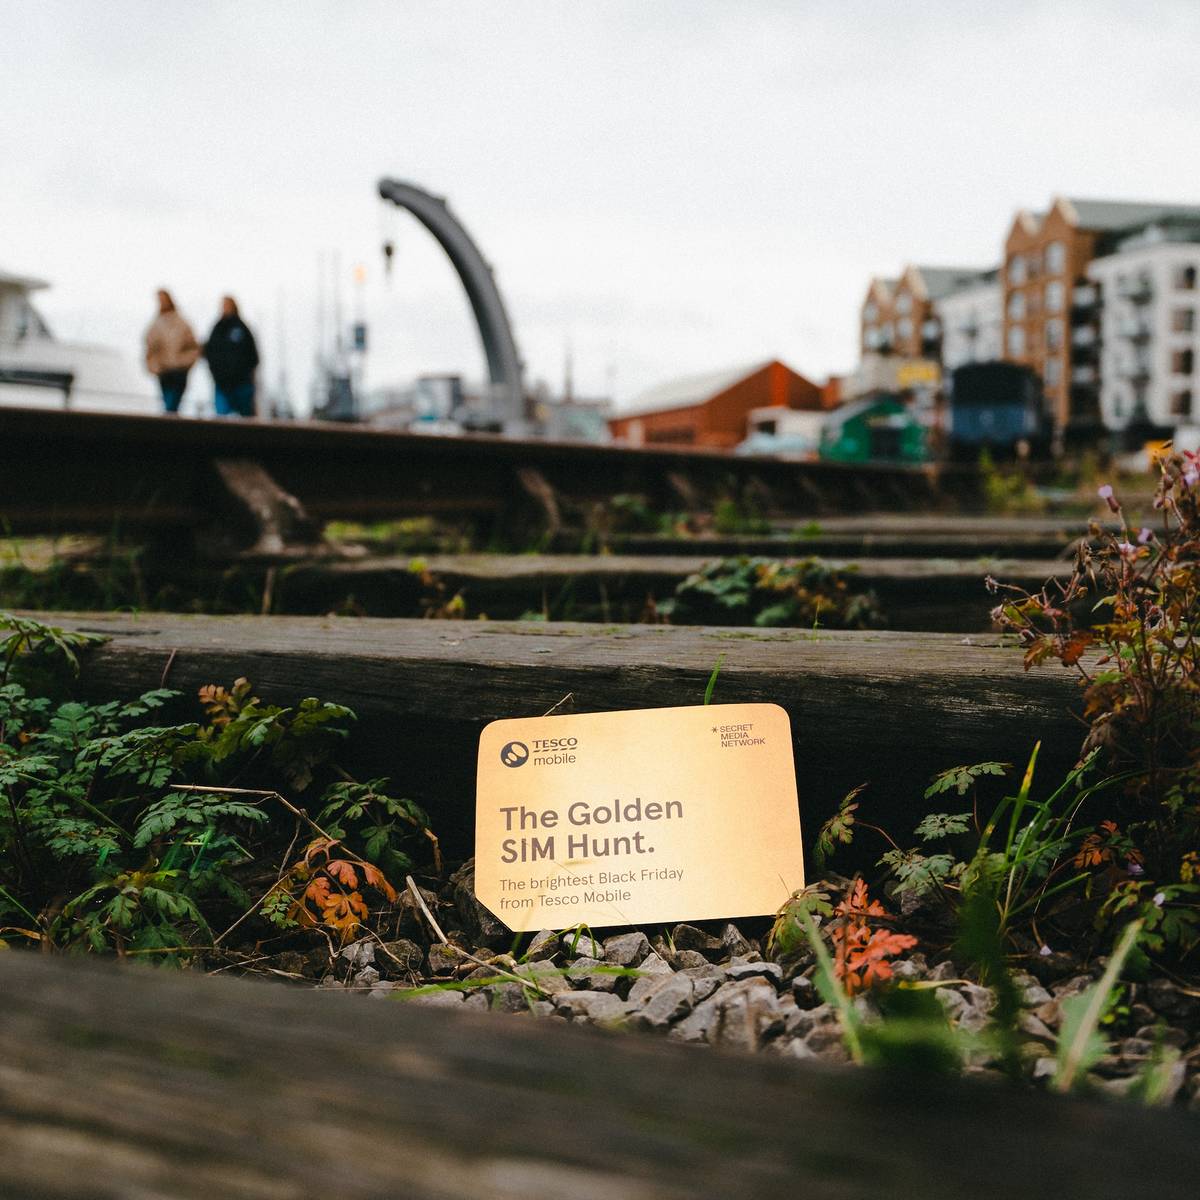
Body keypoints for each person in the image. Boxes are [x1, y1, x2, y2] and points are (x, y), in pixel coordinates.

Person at [144, 289, 201, 413]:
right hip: (164, 371)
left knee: (171, 405)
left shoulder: (182, 323)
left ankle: (168, 428)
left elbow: (193, 347)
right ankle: (169, 428)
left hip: (178, 370)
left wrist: (184, 362)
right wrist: (154, 365)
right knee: (168, 404)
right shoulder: (156, 324)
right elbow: (150, 348)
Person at [204, 296, 259, 417]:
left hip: (242, 383)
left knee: (246, 419)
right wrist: (216, 373)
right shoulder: (217, 329)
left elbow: (253, 355)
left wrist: (245, 373)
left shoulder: (242, 329)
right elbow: (210, 352)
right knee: (222, 419)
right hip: (222, 383)